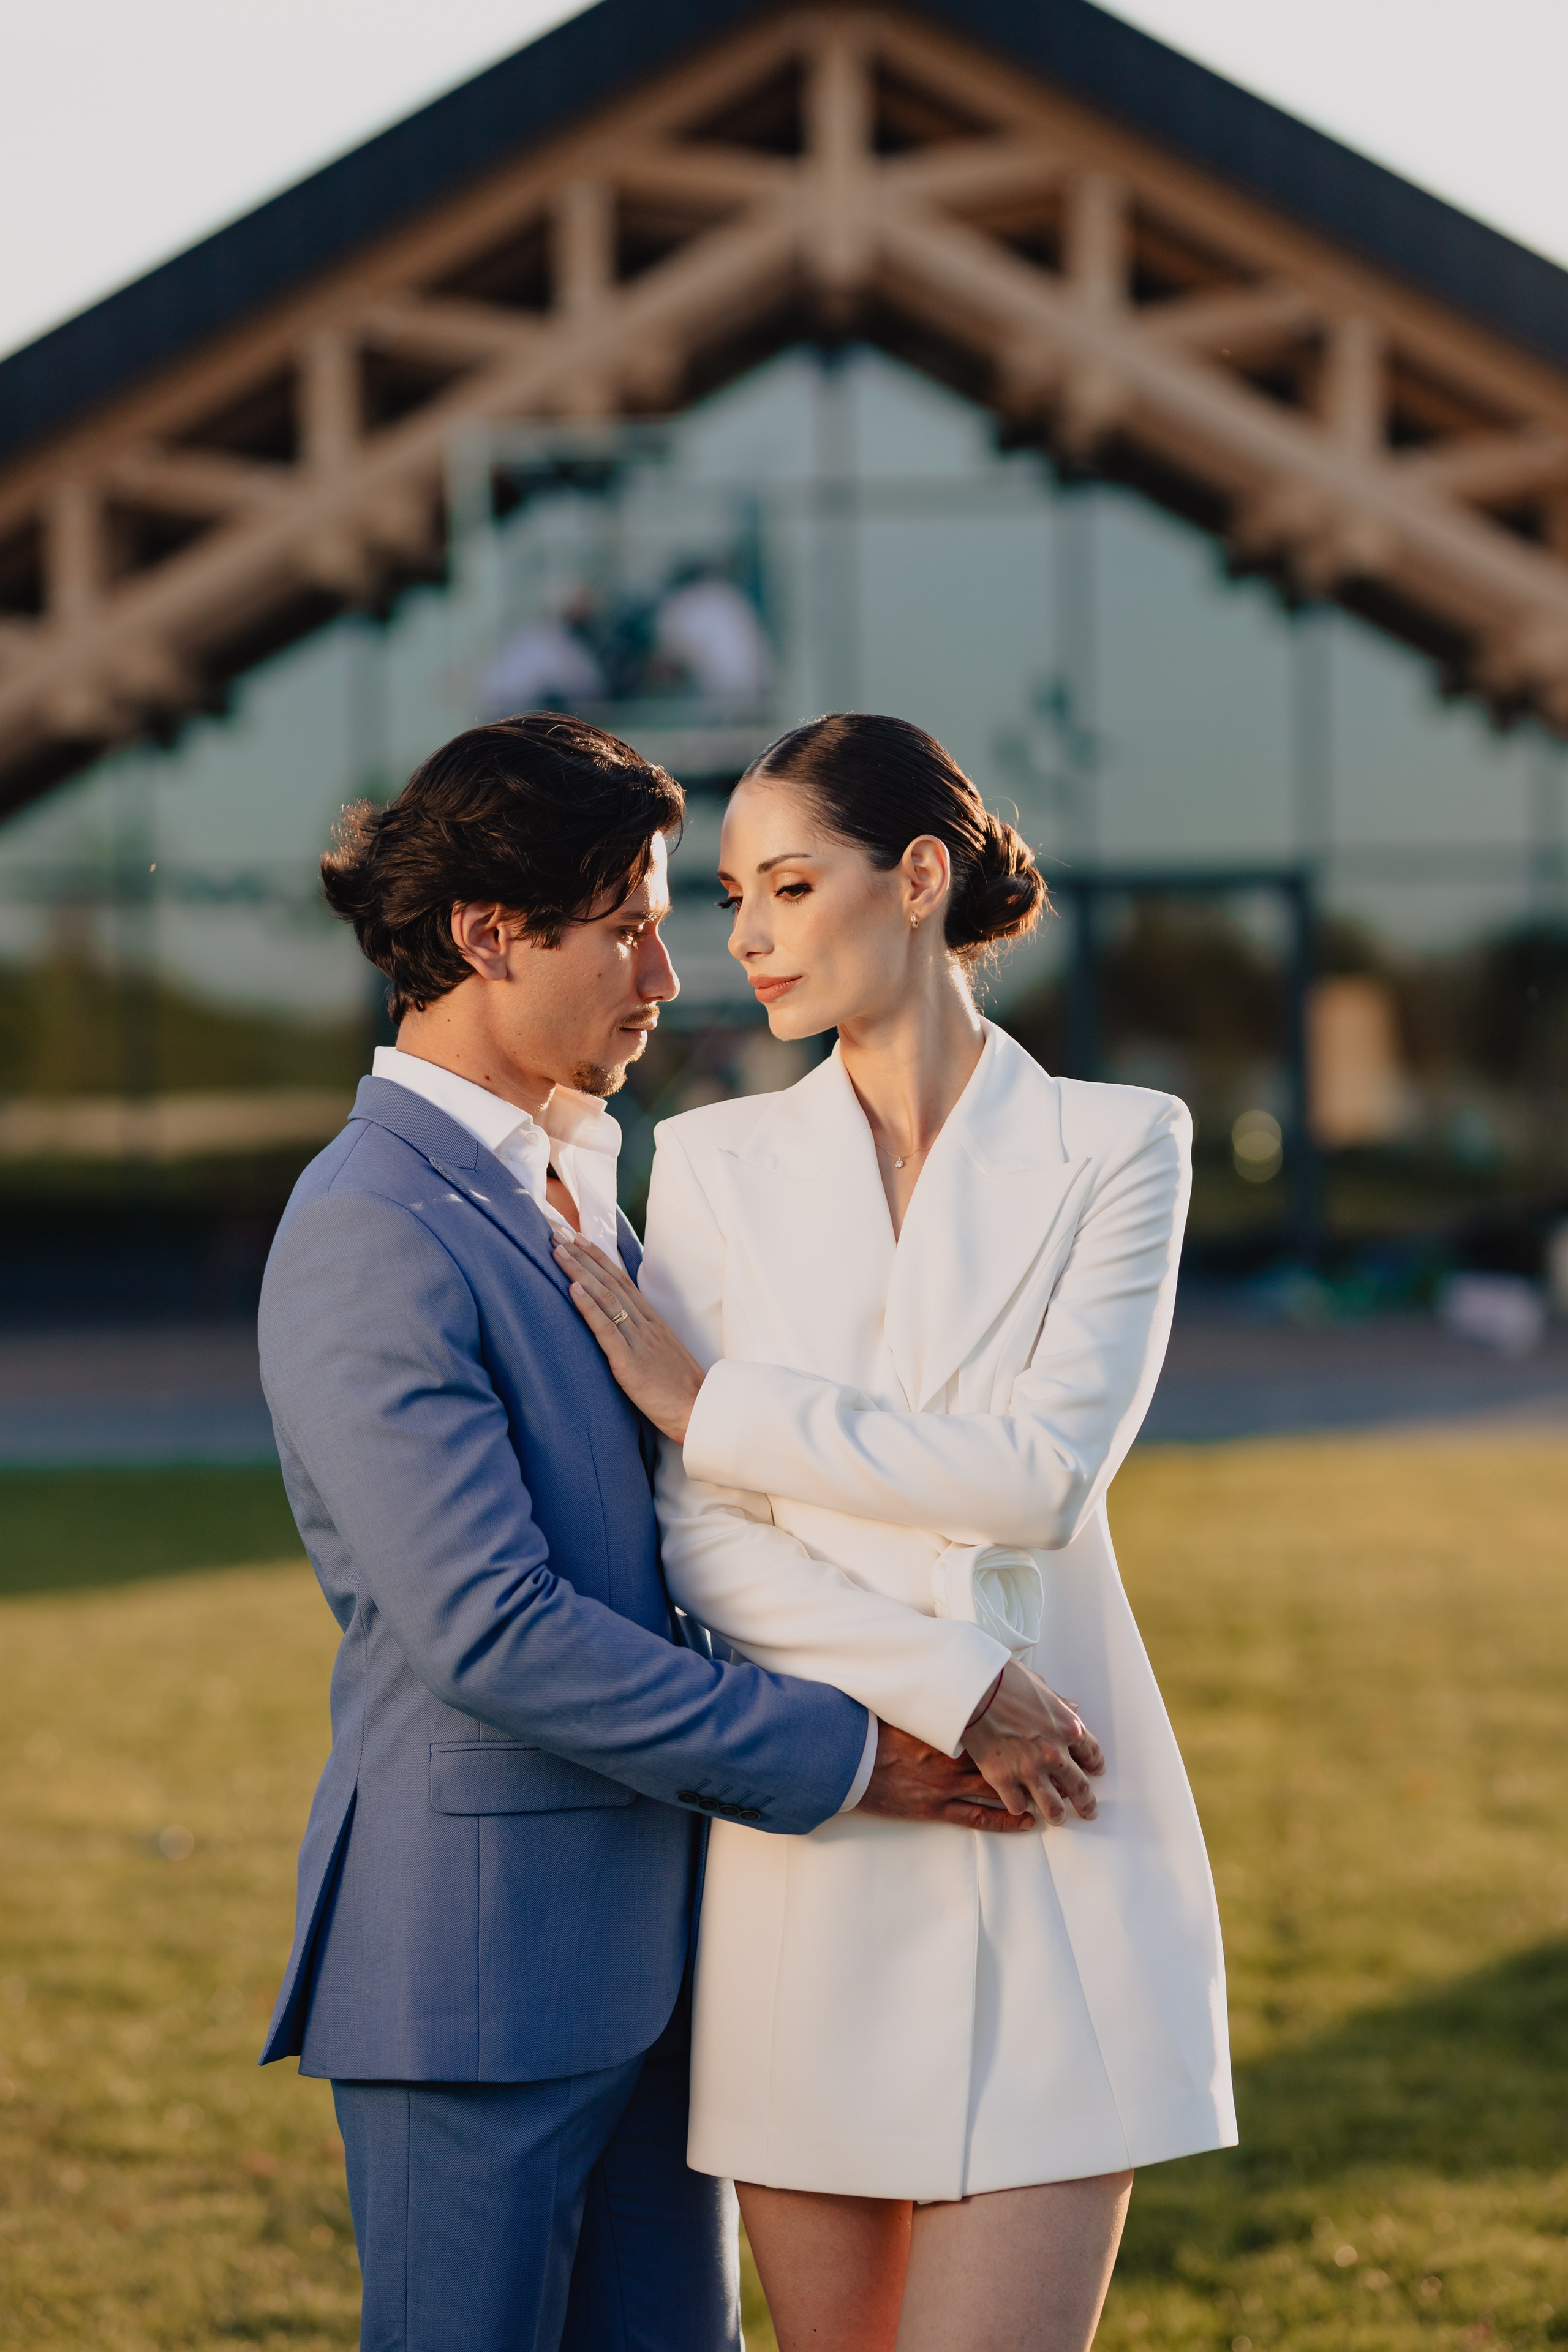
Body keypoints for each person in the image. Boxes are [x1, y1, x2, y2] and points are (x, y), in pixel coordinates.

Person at [255, 712, 1072, 2352]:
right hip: (479, 1978)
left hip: (660, 1961)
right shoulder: (369, 1225)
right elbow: (492, 1628)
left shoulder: (576, 1190)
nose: (667, 973)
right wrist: (856, 1753)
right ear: (489, 936)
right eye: (626, 927)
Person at [554, 712, 1238, 2352]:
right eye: (734, 898)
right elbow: (706, 1543)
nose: (747, 938)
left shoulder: (1120, 1144)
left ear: (919, 877)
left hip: (1058, 1846)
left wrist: (718, 1408)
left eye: (790, 886)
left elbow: (1041, 1477)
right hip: (826, 1875)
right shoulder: (709, 1163)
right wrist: (955, 1687)